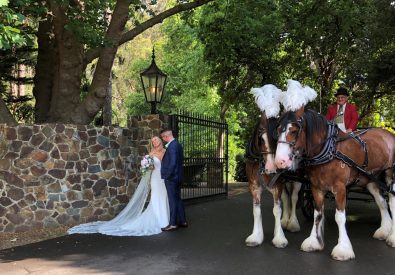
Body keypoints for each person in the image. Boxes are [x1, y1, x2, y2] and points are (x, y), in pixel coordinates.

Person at [67, 136, 169, 236]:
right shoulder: (151, 153)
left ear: (160, 140)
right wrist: (147, 166)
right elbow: (149, 168)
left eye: (156, 139)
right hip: (155, 178)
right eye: (152, 141)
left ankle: (166, 220)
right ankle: (159, 221)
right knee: (156, 198)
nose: (154, 141)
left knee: (164, 197)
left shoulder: (165, 151)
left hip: (164, 178)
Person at [160, 128, 188, 231]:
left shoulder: (172, 146)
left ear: (166, 136)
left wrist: (167, 176)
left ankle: (172, 224)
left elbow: (172, 163)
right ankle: (183, 221)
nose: (163, 139)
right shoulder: (178, 144)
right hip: (178, 177)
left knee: (172, 200)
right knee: (178, 199)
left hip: (172, 178)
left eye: (163, 137)